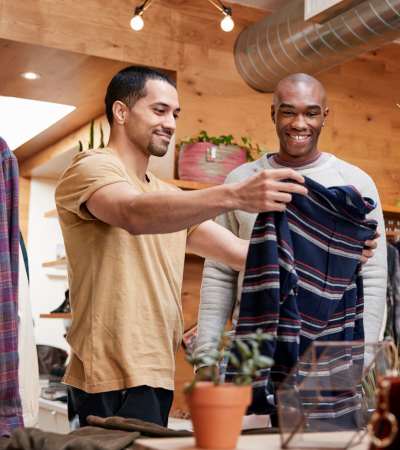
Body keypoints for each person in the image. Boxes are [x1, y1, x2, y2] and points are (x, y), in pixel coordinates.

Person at [54, 66, 309, 427]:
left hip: (156, 375)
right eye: (159, 110)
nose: (171, 124)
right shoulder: (91, 167)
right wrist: (232, 195)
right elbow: (131, 212)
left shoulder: (168, 198)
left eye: (175, 114)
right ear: (121, 112)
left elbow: (242, 255)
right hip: (106, 378)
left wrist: (334, 250)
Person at [196, 73, 386, 385]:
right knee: (248, 434)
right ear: (273, 114)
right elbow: (219, 272)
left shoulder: (354, 185)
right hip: (253, 350)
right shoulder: (242, 181)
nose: (299, 123)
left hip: (330, 355)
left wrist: (362, 358)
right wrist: (205, 356)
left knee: (321, 436)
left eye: (311, 113)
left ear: (325, 116)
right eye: (288, 112)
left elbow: (374, 277)